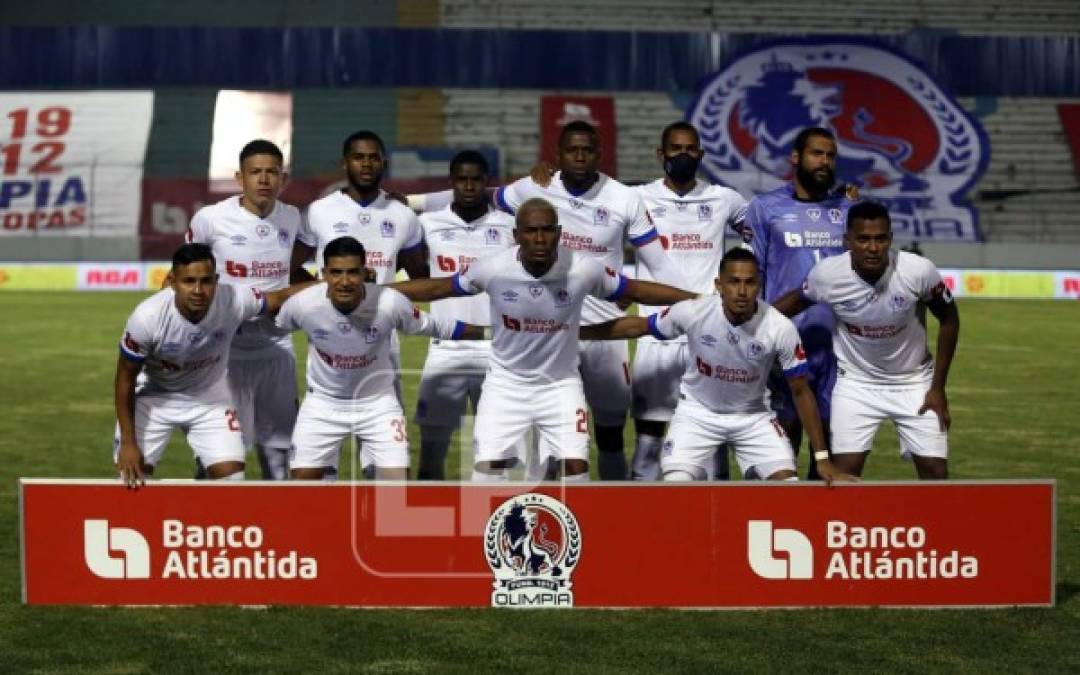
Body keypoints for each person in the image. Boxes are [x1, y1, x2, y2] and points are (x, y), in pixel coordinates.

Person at [392, 198, 696, 481]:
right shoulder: (494, 268)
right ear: (516, 235)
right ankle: (486, 534)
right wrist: (381, 291)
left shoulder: (582, 268)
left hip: (561, 386)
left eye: (547, 230)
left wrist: (697, 300)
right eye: (532, 231)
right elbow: (437, 289)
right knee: (487, 468)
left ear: (559, 233)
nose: (540, 239)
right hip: (505, 386)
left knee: (575, 468)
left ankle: (575, 535)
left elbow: (637, 290)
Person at [491, 121, 686, 480]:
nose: (579, 157)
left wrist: (697, 302)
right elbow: (480, 197)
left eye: (587, 150)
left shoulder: (625, 198)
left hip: (605, 334)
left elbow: (659, 263)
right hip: (549, 333)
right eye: (571, 150)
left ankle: (610, 516)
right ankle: (542, 510)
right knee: (548, 437)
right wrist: (414, 201)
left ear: (600, 154)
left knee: (610, 434)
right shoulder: (536, 186)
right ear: (557, 154)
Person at [581, 248, 853, 484]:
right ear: (719, 285)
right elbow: (639, 326)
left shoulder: (779, 327)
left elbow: (801, 391)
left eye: (750, 283)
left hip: (753, 418)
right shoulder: (693, 312)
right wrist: (578, 332)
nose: (742, 291)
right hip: (697, 414)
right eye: (734, 282)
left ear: (759, 286)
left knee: (787, 487)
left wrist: (821, 458)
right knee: (676, 487)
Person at [772, 202, 959, 479]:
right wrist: (753, 323)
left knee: (935, 473)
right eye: (863, 239)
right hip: (856, 384)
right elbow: (796, 301)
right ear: (848, 241)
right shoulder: (828, 275)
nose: (872, 247)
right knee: (844, 474)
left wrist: (938, 388)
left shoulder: (918, 271)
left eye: (880, 239)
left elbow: (950, 320)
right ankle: (844, 525)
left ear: (890, 239)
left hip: (914, 382)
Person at [278, 236, 484, 480]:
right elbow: (272, 328)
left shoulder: (390, 302)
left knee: (395, 486)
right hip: (322, 404)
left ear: (366, 272)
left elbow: (437, 326)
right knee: (301, 485)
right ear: (323, 273)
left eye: (353, 272)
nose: (344, 282)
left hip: (378, 405)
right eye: (336, 273)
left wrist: (492, 332)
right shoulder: (302, 305)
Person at [114, 243, 312, 488]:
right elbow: (125, 379)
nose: (198, 290)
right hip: (154, 398)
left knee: (232, 480)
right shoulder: (147, 318)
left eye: (206, 281)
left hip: (208, 398)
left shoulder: (232, 299)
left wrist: (326, 284)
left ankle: (204, 525)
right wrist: (129, 443)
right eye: (189, 281)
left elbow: (279, 298)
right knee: (131, 480)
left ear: (216, 280)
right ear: (172, 281)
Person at [294, 130, 429, 475]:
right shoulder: (319, 211)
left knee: (385, 463)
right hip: (330, 337)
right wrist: (319, 301)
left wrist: (383, 296)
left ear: (383, 162)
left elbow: (419, 275)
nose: (367, 164)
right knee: (319, 464)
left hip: (382, 340)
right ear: (345, 162)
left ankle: (375, 523)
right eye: (359, 157)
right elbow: (290, 266)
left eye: (373, 157)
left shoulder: (403, 215)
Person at [629, 121, 749, 481]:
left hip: (709, 336)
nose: (683, 155)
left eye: (690, 149)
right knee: (650, 436)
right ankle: (645, 514)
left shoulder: (724, 198)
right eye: (675, 148)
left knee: (713, 435)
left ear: (701, 154)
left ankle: (715, 518)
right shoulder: (637, 197)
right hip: (656, 336)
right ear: (660, 154)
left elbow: (762, 231)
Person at [185, 139, 307, 480]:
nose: (264, 179)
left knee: (280, 457)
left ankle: (278, 529)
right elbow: (181, 276)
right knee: (218, 459)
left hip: (276, 351)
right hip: (223, 354)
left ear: (283, 179)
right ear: (240, 178)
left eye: (272, 172)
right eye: (256, 172)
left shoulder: (294, 218)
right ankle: (208, 529)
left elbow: (295, 271)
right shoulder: (210, 219)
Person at [741, 126, 856, 479]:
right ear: (795, 158)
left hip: (838, 350)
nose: (825, 161)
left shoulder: (849, 208)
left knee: (831, 452)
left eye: (831, 155)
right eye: (817, 153)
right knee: (783, 451)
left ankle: (821, 528)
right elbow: (751, 273)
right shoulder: (764, 209)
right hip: (784, 344)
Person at [414, 150, 515, 479]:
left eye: (476, 180)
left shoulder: (510, 227)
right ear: (451, 182)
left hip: (497, 351)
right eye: (462, 179)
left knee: (494, 454)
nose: (469, 186)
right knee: (432, 450)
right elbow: (415, 275)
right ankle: (429, 527)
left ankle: (488, 524)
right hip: (445, 349)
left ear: (487, 183)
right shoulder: (428, 225)